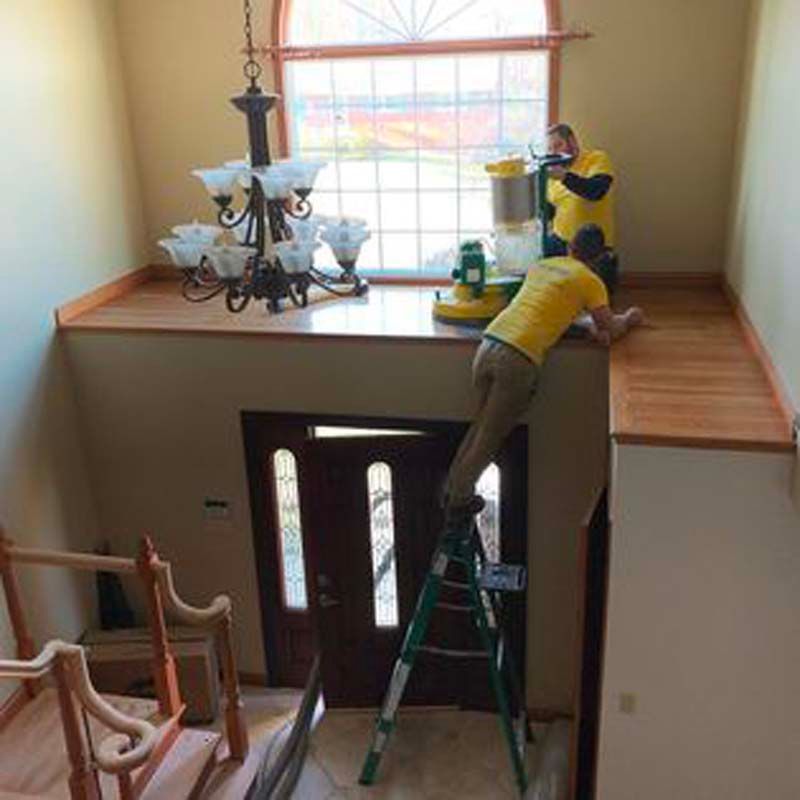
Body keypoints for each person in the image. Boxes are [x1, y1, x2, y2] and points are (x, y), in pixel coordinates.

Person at [443, 223, 642, 518]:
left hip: (489, 344)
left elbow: (542, 311)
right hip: (518, 359)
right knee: (490, 436)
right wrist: (630, 318)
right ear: (600, 257)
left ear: (569, 246)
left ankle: (453, 490)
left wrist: (583, 331)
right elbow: (610, 328)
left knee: (480, 427)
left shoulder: (543, 266)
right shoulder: (590, 281)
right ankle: (458, 500)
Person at [546, 124, 618, 291]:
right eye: (550, 148)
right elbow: (549, 212)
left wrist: (564, 177)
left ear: (573, 141)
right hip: (561, 243)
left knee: (594, 297)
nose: (554, 152)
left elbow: (596, 191)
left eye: (558, 145)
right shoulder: (552, 177)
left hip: (593, 247)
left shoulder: (596, 158)